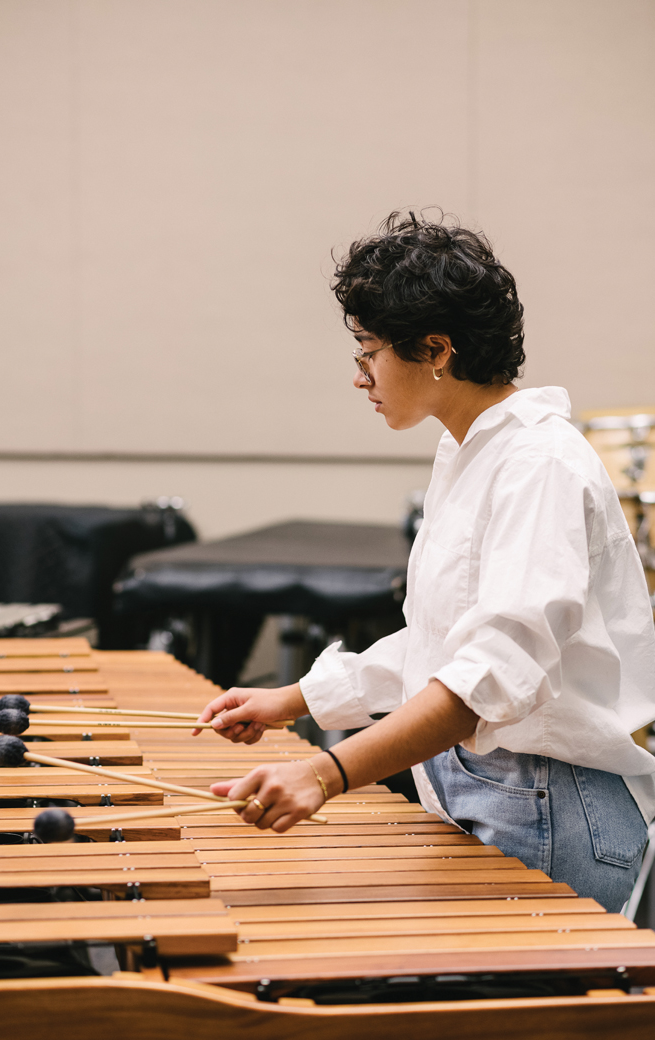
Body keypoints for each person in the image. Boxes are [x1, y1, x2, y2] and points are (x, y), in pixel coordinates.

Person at [193, 212, 655, 911]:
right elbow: (444, 645)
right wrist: (295, 701)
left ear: (435, 349)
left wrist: (325, 772)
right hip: (496, 789)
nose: (360, 377)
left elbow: (489, 676)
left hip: (549, 806)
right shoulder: (469, 451)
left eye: (368, 352)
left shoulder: (538, 462)